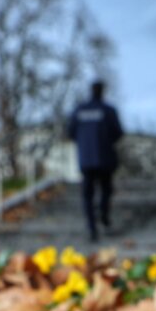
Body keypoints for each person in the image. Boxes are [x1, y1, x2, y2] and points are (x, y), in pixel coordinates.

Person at [67, 80, 123, 241]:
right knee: (106, 190)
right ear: (102, 91)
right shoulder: (108, 110)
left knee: (87, 194)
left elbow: (70, 132)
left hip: (86, 159)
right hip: (105, 158)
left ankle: (92, 227)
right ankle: (103, 215)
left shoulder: (79, 110)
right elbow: (118, 133)